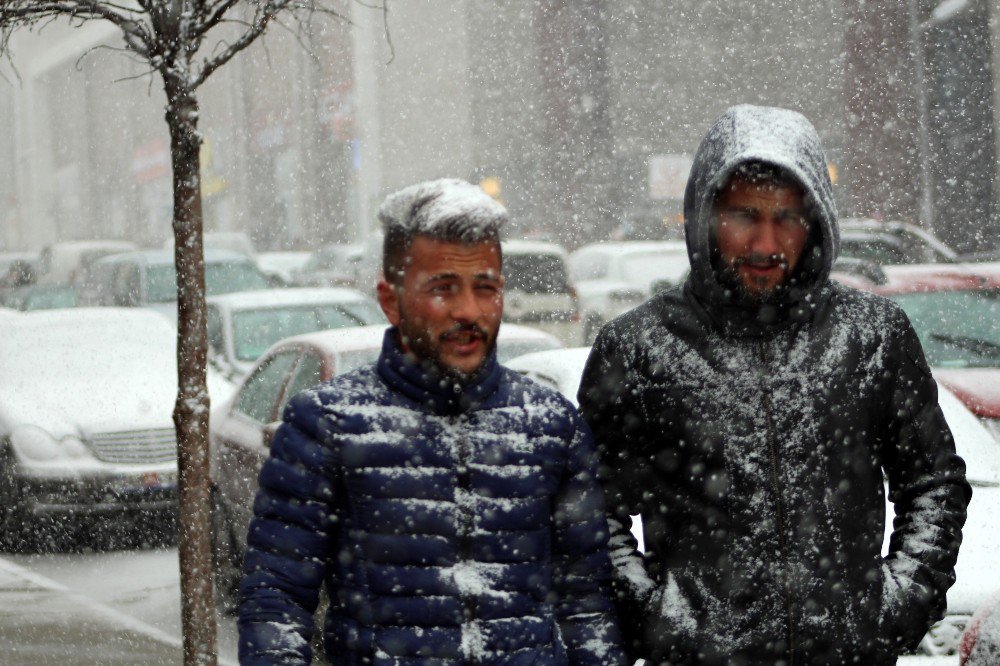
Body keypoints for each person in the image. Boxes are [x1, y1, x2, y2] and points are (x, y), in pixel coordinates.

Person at [578, 105, 971, 665]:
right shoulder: (640, 346)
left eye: (786, 217)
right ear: (705, 216)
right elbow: (592, 510)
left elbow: (934, 483)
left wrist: (898, 602)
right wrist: (659, 618)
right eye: (744, 216)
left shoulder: (874, 336)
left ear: (816, 221)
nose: (766, 243)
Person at [238, 178, 626, 664]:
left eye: (485, 288)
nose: (468, 311)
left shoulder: (550, 425)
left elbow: (587, 607)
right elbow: (277, 601)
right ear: (390, 299)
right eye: (443, 289)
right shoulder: (327, 426)